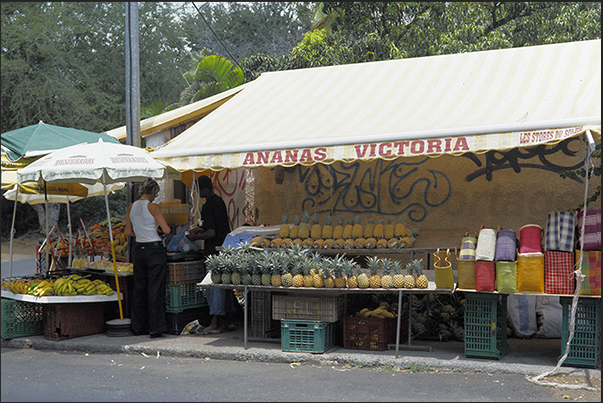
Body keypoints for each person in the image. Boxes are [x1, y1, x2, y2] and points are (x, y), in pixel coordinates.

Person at [186, 175, 235, 334]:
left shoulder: (207, 206)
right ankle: (228, 320)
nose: (198, 194)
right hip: (224, 248)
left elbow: (212, 233)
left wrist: (196, 237)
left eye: (199, 191)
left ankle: (215, 323)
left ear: (204, 189)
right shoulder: (219, 201)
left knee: (214, 287)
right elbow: (216, 226)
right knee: (225, 285)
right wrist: (201, 229)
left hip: (213, 252)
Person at [126, 178, 171, 338]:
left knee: (139, 288)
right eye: (156, 193)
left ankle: (138, 326)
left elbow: (129, 232)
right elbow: (166, 229)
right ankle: (155, 327)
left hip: (139, 250)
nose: (155, 197)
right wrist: (156, 230)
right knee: (155, 289)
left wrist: (143, 231)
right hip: (154, 250)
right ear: (152, 191)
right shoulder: (153, 206)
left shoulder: (131, 207)